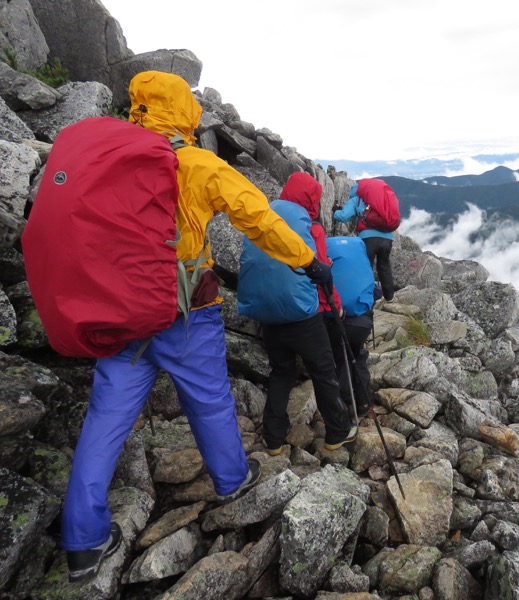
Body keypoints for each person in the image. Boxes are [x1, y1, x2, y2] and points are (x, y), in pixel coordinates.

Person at [60, 71, 334, 583]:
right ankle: (231, 480)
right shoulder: (196, 163)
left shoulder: (106, 160)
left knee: (104, 420)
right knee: (208, 399)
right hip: (186, 311)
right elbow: (259, 217)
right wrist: (307, 262)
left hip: (120, 311)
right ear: (184, 111)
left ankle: (82, 541)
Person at [248, 172, 358, 456]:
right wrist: (337, 307)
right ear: (311, 199)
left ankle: (273, 437)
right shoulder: (311, 229)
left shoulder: (264, 219)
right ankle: (337, 431)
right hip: (304, 319)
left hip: (268, 317)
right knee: (323, 372)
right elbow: (321, 273)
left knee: (281, 373)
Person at [325, 235, 378, 419]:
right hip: (363, 322)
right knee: (358, 356)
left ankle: (347, 404)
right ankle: (365, 401)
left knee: (340, 360)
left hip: (337, 320)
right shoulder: (359, 250)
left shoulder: (323, 250)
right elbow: (374, 290)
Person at [333, 179, 396, 302]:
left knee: (365, 267)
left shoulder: (356, 199)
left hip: (368, 238)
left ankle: (368, 298)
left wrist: (335, 211)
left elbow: (343, 216)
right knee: (384, 266)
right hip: (387, 238)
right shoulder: (379, 201)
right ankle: (389, 297)